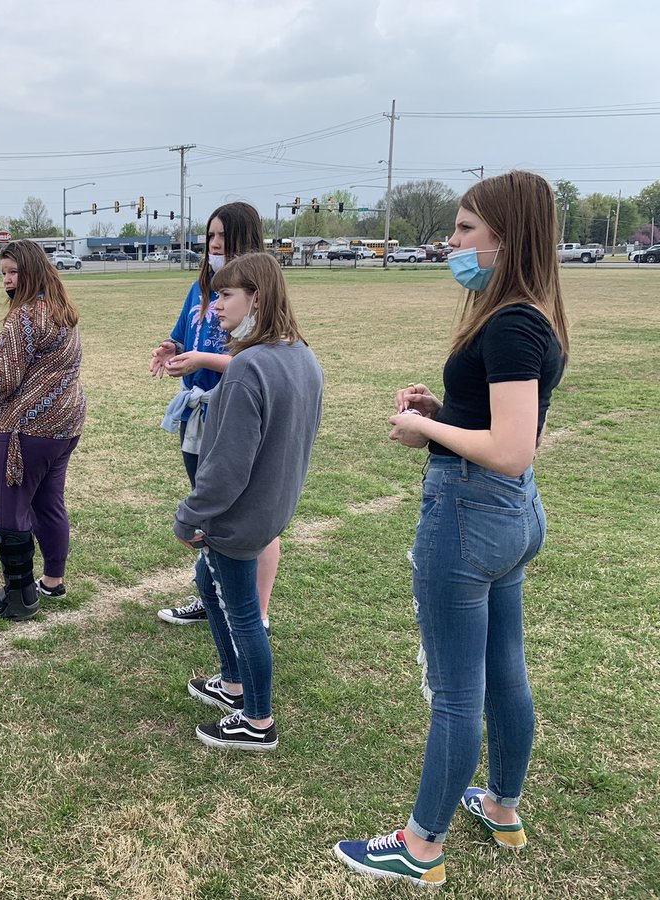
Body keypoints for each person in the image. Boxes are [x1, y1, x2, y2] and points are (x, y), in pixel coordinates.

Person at [334, 171, 569, 889]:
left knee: (458, 693)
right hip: (509, 519)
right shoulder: (526, 317)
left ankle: (420, 846)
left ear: (505, 236)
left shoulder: (511, 324)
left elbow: (511, 448)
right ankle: (501, 806)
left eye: (467, 229)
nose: (453, 242)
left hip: (472, 515)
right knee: (505, 673)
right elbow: (499, 424)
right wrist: (441, 410)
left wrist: (424, 427)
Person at [173, 252, 323, 750]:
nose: (215, 306)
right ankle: (233, 683)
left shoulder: (248, 367)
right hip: (273, 508)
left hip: (241, 519)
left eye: (226, 295)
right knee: (206, 579)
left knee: (244, 613)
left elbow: (226, 467)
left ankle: (256, 719)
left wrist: (191, 515)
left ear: (256, 298)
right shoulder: (303, 355)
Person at [150, 202, 281, 633]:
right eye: (210, 236)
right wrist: (171, 350)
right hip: (196, 413)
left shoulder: (260, 293)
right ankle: (212, 596)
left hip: (235, 412)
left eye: (223, 235)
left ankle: (255, 613)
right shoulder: (200, 287)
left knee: (249, 515)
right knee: (210, 512)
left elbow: (265, 360)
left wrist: (204, 358)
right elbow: (182, 334)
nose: (215, 244)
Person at [0, 240, 85, 620]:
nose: (6, 280)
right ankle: (52, 581)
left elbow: (6, 377)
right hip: (64, 426)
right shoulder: (61, 311)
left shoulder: (24, 317)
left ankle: (19, 595)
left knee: (7, 512)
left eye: (13, 272)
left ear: (33, 271)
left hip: (26, 429)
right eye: (3, 272)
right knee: (47, 504)